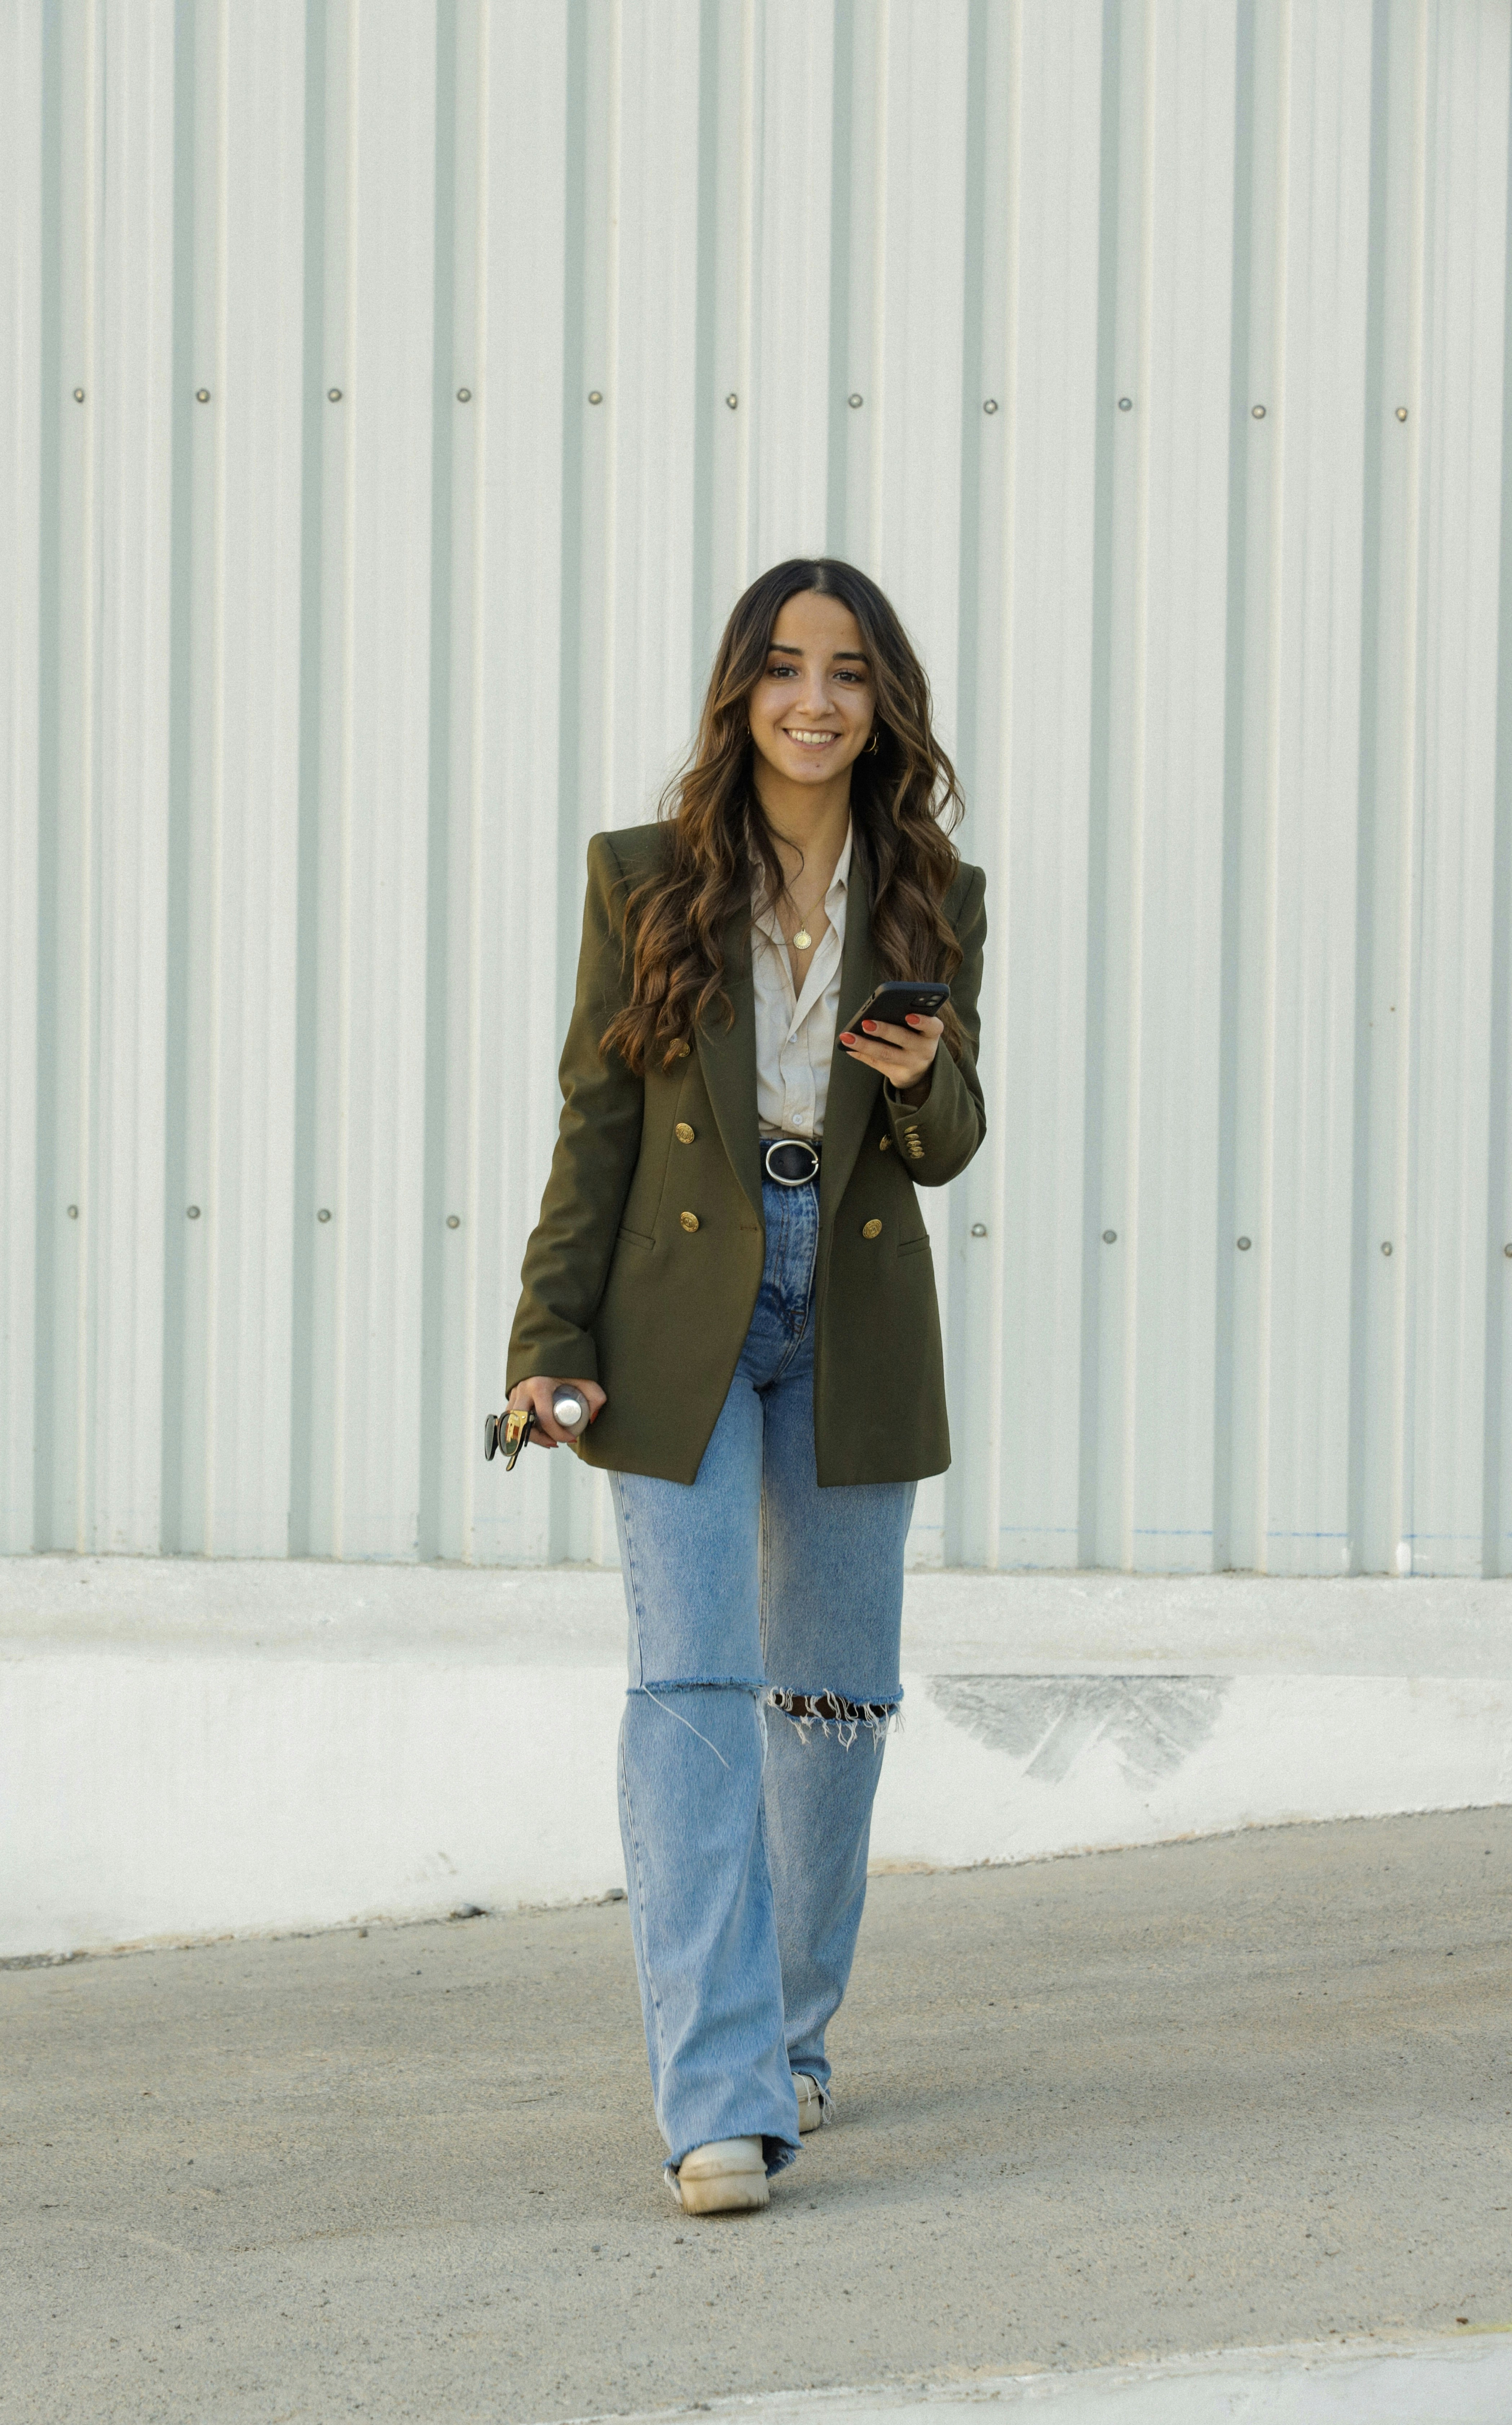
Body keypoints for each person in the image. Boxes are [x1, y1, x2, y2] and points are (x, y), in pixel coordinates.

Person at [504, 556, 987, 2214]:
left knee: (833, 1704)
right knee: (693, 1688)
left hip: (845, 1311)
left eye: (847, 672)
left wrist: (929, 1082)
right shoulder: (643, 878)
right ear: (740, 691)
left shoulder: (932, 888)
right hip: (672, 1310)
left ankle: (787, 2037)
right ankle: (716, 2102)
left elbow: (941, 1149)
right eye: (783, 667)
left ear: (880, 705)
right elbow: (596, 1125)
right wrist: (544, 1343)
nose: (812, 698)